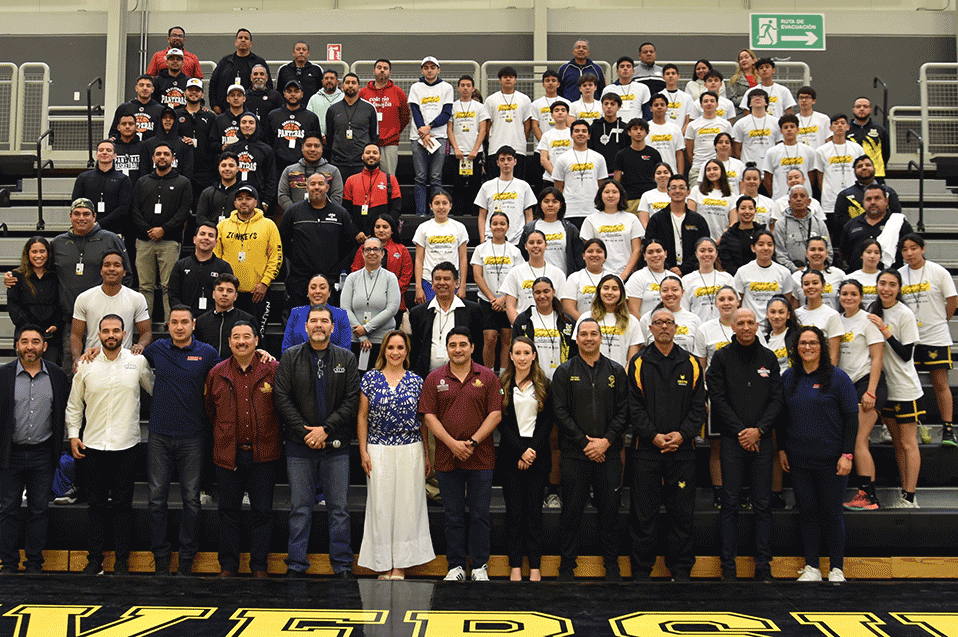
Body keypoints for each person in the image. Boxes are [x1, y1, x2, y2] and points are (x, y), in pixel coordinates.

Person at [274, 304, 361, 578]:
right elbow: (282, 398)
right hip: (300, 446)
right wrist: (305, 432)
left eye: (325, 321)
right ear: (306, 326)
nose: (319, 325)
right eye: (314, 321)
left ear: (333, 327)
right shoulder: (290, 357)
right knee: (300, 508)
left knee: (339, 510)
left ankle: (343, 565)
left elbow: (352, 400)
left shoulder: (346, 358)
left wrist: (325, 429)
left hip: (336, 446)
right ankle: (297, 564)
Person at [66, 314, 154, 575]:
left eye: (116, 330)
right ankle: (94, 561)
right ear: (98, 334)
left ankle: (122, 563)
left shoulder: (138, 362)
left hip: (126, 447)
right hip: (93, 447)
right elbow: (74, 405)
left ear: (125, 334)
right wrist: (73, 435)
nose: (111, 335)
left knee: (122, 507)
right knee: (95, 507)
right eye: (106, 331)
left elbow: (156, 390)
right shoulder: (85, 365)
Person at [628, 306, 706, 581]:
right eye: (658, 322)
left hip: (682, 451)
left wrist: (682, 435)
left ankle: (681, 569)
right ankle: (641, 569)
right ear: (650, 329)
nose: (663, 326)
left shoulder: (692, 363)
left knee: (681, 513)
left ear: (676, 328)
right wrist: (654, 436)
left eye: (668, 322)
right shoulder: (638, 363)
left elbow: (699, 408)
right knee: (643, 514)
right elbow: (633, 407)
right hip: (646, 450)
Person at [419, 326, 502, 582]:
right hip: (446, 457)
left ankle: (479, 566)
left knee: (479, 514)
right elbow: (428, 416)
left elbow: (495, 414)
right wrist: (452, 443)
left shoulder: (487, 377)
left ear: (472, 347)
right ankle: (455, 565)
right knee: (453, 515)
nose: (458, 349)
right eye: (453, 345)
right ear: (447, 349)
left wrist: (473, 442)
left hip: (481, 458)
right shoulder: (434, 378)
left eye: (463, 344)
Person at [142, 305, 219, 576]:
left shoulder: (207, 353)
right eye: (174, 322)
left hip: (193, 438)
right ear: (168, 325)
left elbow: (224, 375)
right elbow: (127, 358)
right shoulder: (157, 350)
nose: (179, 326)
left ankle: (187, 558)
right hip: (159, 436)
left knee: (191, 500)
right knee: (156, 499)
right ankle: (161, 557)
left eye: (184, 322)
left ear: (193, 324)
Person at [707, 308, 782, 581]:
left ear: (757, 325)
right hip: (731, 440)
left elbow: (777, 399)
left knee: (763, 504)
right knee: (730, 504)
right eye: (741, 323)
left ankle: (763, 565)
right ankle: (728, 566)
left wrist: (759, 431)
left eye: (751, 322)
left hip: (761, 440)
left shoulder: (769, 358)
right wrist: (741, 431)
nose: (746, 327)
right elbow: (717, 396)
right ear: (733, 326)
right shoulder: (721, 357)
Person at [779, 326, 858, 582]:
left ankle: (836, 568)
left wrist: (847, 454)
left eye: (813, 343)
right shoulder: (789, 377)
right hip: (799, 459)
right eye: (803, 343)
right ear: (796, 347)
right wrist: (782, 448)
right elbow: (781, 417)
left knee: (832, 513)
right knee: (808, 512)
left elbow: (852, 419)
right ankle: (812, 566)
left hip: (832, 460)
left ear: (821, 347)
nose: (808, 347)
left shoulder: (838, 377)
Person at [553, 318, 628, 581]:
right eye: (583, 334)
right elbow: (559, 412)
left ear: (601, 337)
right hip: (576, 453)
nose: (588, 338)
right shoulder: (564, 371)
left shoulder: (616, 371)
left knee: (610, 511)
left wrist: (605, 441)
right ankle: (566, 566)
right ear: (576, 338)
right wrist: (585, 443)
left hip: (608, 452)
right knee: (571, 511)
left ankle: (612, 566)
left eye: (593, 333)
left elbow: (624, 412)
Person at [205, 321, 281, 578]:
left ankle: (259, 566)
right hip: (228, 454)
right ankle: (228, 566)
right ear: (229, 343)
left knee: (262, 512)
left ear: (256, 341)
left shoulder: (273, 369)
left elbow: (282, 407)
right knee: (228, 512)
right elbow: (210, 410)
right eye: (236, 337)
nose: (241, 342)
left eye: (246, 337)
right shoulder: (217, 372)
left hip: (264, 454)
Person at [357, 331, 434, 579]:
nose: (395, 352)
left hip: (410, 446)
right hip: (377, 447)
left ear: (406, 352)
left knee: (407, 507)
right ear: (384, 351)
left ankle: (400, 564)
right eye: (391, 347)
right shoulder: (370, 379)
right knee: (380, 506)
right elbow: (361, 416)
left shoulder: (416, 381)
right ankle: (382, 563)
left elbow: (423, 421)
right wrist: (362, 451)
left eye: (400, 348)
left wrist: (426, 454)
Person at [0, 325, 70, 574]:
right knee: (7, 509)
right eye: (25, 341)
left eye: (35, 341)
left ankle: (34, 563)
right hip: (10, 455)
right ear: (16, 345)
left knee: (39, 509)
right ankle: (8, 563)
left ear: (45, 346)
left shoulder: (57, 376)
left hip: (43, 454)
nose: (30, 346)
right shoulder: (4, 375)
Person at [498, 337, 553, 582]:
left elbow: (547, 422)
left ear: (533, 355)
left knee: (534, 514)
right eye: (517, 353)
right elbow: (502, 421)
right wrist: (521, 450)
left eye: (526, 353)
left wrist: (531, 451)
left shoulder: (545, 385)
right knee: (514, 514)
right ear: (510, 356)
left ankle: (535, 567)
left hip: (537, 457)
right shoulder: (502, 384)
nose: (521, 357)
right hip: (511, 456)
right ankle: (515, 566)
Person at [868, 270, 925, 507]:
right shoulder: (873, 309)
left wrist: (884, 329)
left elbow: (906, 354)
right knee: (897, 444)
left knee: (909, 443)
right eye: (882, 283)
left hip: (905, 389)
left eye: (892, 284)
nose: (886, 289)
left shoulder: (905, 314)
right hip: (885, 389)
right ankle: (904, 491)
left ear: (898, 288)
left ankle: (910, 496)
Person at [899, 234, 958, 446]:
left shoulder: (938, 271)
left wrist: (941, 321)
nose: (909, 253)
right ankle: (913, 428)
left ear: (922, 249)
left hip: (936, 336)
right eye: (905, 249)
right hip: (910, 339)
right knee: (908, 384)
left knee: (941, 383)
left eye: (913, 248)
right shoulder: (899, 275)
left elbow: (952, 300)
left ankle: (948, 430)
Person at [836, 280, 887, 512]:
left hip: (867, 384)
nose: (848, 298)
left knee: (857, 441)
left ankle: (868, 495)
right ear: (839, 296)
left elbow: (877, 357)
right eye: (844, 293)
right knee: (861, 441)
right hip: (847, 386)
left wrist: (871, 391)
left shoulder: (868, 321)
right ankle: (868, 495)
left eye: (853, 294)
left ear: (861, 296)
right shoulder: (838, 320)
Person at [279, 172, 358, 310]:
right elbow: (283, 242)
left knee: (328, 324)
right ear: (306, 187)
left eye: (321, 184)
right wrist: (298, 260)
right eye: (313, 184)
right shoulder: (293, 212)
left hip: (330, 279)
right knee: (299, 324)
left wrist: (335, 270)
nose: (317, 187)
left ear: (327, 187)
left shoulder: (341, 213)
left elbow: (350, 247)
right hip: (300, 279)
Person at [131, 142, 192, 321]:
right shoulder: (142, 182)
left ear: (173, 159)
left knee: (168, 286)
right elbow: (134, 209)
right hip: (144, 241)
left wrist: (163, 230)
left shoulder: (183, 182)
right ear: (153, 158)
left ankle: (169, 324)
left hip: (170, 242)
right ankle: (145, 325)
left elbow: (183, 212)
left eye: (166, 154)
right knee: (145, 286)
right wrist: (148, 230)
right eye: (158, 154)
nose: (162, 157)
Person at [214, 185, 283, 333]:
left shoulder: (268, 225)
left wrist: (265, 283)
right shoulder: (222, 226)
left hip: (257, 293)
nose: (244, 202)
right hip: (230, 293)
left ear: (256, 202)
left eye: (248, 198)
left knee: (257, 336)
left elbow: (276, 257)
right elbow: (216, 257)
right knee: (229, 336)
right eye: (240, 199)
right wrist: (223, 287)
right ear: (234, 203)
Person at [71, 252, 151, 372]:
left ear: (124, 272)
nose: (111, 269)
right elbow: (76, 335)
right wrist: (76, 359)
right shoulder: (84, 298)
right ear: (101, 270)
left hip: (124, 362)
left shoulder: (136, 298)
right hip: (92, 360)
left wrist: (140, 346)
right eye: (107, 265)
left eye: (117, 265)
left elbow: (146, 332)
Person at [408, 262, 484, 379]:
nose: (442, 283)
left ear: (456, 283)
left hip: (464, 377)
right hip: (428, 377)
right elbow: (417, 348)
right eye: (437, 279)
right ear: (432, 284)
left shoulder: (472, 310)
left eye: (447, 279)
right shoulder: (418, 313)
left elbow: (477, 347)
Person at [471, 212, 522, 370]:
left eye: (502, 223)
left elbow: (518, 277)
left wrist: (504, 298)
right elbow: (477, 276)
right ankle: (489, 374)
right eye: (495, 223)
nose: (498, 227)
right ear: (489, 226)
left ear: (508, 227)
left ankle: (505, 375)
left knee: (507, 338)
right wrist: (493, 298)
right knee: (490, 338)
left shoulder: (515, 251)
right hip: (488, 301)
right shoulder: (481, 249)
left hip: (508, 301)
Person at [341, 237, 401, 369]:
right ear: (362, 253)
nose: (372, 253)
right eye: (367, 249)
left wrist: (366, 328)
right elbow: (345, 308)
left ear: (382, 253)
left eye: (376, 249)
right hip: (355, 340)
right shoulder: (352, 278)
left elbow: (392, 308)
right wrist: (362, 336)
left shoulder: (390, 278)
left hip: (383, 340)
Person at [408, 57, 454, 216]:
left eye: (432, 67)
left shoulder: (446, 87)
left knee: (435, 177)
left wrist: (429, 127)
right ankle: (421, 213)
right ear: (422, 70)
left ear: (438, 70)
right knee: (420, 177)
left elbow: (446, 113)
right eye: (426, 67)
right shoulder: (416, 87)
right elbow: (415, 111)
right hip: (418, 137)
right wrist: (423, 131)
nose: (429, 70)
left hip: (438, 136)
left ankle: (436, 213)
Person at [349, 213, 413, 324]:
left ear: (392, 230)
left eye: (385, 227)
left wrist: (390, 293)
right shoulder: (362, 249)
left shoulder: (402, 250)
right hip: (366, 303)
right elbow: (356, 271)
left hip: (395, 304)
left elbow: (406, 277)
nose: (381, 230)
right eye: (377, 227)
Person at [511, 277, 577, 379]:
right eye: (538, 292)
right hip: (533, 379)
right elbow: (515, 350)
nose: (542, 296)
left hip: (562, 380)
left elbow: (574, 353)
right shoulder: (523, 320)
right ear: (533, 294)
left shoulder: (567, 320)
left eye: (546, 291)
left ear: (553, 292)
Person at [7, 238, 61, 363]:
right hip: (25, 334)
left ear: (48, 253)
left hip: (51, 336)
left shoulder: (56, 275)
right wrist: (31, 328)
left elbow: (60, 304)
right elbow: (14, 307)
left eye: (42, 251)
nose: (38, 255)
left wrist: (56, 324)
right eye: (34, 251)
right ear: (28, 253)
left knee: (48, 372)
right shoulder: (16, 276)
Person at [644, 175, 711, 275]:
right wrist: (669, 268)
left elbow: (704, 247)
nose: (677, 191)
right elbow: (649, 246)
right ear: (668, 192)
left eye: (682, 187)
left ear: (688, 192)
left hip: (694, 272)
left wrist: (683, 268)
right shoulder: (656, 219)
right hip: (663, 272)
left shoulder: (698, 220)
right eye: (673, 188)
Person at [839, 183, 912, 272]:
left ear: (886, 201)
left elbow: (911, 250)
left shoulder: (899, 223)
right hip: (857, 280)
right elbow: (844, 254)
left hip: (890, 281)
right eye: (868, 199)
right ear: (863, 203)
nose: (873, 202)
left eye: (877, 198)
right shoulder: (851, 225)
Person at [413, 190, 470, 305]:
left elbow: (463, 258)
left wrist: (463, 285)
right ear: (431, 206)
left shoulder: (459, 227)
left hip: (452, 281)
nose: (441, 207)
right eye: (437, 203)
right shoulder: (423, 228)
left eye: (444, 203)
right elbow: (419, 259)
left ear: (450, 206)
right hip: (429, 281)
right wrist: (418, 286)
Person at [169, 223, 236, 319]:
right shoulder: (181, 265)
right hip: (186, 320)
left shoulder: (224, 267)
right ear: (194, 239)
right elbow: (173, 294)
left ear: (216, 242)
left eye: (211, 235)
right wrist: (184, 315)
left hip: (215, 320)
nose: (206, 238)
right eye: (202, 234)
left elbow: (229, 296)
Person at [580, 179, 642, 280]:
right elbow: (590, 251)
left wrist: (624, 275)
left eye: (614, 192)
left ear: (621, 194)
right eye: (606, 192)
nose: (610, 195)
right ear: (600, 195)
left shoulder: (632, 218)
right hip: (599, 275)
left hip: (627, 275)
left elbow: (637, 250)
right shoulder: (590, 220)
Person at [72, 139, 133, 240]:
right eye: (101, 150)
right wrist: (89, 223)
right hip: (88, 231)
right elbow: (76, 203)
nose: (104, 152)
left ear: (115, 155)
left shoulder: (123, 179)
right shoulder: (83, 178)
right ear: (96, 155)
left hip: (114, 232)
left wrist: (98, 224)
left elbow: (124, 209)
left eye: (108, 150)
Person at [359, 59, 411, 175]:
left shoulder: (398, 92)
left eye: (385, 68)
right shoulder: (363, 93)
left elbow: (405, 116)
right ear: (374, 71)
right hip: (368, 143)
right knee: (367, 176)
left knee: (388, 178)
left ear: (390, 72)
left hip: (390, 143)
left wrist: (394, 131)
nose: (382, 70)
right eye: (379, 67)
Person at [503, 230, 566, 325]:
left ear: (546, 245)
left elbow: (562, 305)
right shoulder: (515, 272)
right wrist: (519, 328)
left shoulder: (558, 273)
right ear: (525, 246)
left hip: (552, 328)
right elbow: (510, 306)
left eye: (539, 242)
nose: (535, 246)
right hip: (524, 328)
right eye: (531, 243)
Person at [476, 146, 537, 244]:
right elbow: (482, 216)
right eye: (502, 159)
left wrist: (527, 236)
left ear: (515, 161)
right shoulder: (487, 186)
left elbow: (529, 215)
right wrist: (482, 238)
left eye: (509, 159)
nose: (506, 163)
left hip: (518, 239)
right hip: (491, 238)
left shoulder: (524, 186)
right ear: (497, 163)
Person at [582, 273, 644, 369]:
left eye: (615, 289)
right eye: (606, 288)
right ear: (599, 291)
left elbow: (632, 358)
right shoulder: (586, 318)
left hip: (621, 377)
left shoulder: (632, 321)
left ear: (621, 293)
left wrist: (624, 377)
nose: (610, 292)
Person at [552, 120, 608, 225]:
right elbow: (558, 188)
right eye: (577, 131)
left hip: (593, 210)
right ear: (571, 135)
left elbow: (601, 186)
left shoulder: (599, 158)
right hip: (570, 210)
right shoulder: (562, 158)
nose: (580, 134)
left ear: (589, 135)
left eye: (584, 131)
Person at [518, 187, 584, 276]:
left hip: (563, 279)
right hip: (535, 279)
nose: (550, 205)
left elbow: (578, 259)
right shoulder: (529, 228)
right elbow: (522, 256)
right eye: (546, 201)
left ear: (561, 205)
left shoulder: (570, 229)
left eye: (554, 201)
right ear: (540, 204)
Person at [447, 74, 489, 214]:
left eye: (468, 85)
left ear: (473, 88)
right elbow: (449, 129)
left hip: (474, 152)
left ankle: (474, 213)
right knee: (457, 184)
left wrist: (475, 150)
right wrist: (456, 148)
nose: (465, 88)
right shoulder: (453, 106)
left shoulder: (480, 107)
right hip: (457, 153)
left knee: (475, 184)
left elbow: (482, 129)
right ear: (458, 88)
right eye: (462, 85)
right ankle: (458, 212)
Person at [341, 144, 403, 238]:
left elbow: (397, 209)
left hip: (382, 235)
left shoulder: (390, 179)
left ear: (380, 157)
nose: (371, 155)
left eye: (375, 153)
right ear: (362, 156)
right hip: (357, 236)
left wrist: (380, 230)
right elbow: (346, 210)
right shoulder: (351, 180)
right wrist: (356, 232)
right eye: (368, 152)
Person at [325, 73, 379, 180]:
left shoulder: (369, 108)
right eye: (347, 83)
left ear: (359, 87)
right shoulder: (333, 109)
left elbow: (374, 136)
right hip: (338, 162)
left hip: (361, 163)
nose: (350, 85)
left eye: (354, 83)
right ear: (342, 86)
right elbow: (329, 136)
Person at [816, 113, 864, 230]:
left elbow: (861, 173)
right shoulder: (821, 150)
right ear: (831, 128)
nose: (839, 126)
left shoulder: (857, 148)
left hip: (853, 197)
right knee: (833, 232)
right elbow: (820, 176)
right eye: (836, 124)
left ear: (847, 127)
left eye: (842, 123)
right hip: (830, 200)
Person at [484, 67, 534, 179]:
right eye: (505, 77)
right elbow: (488, 124)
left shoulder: (524, 99)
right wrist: (492, 139)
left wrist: (521, 138)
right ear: (499, 80)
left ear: (515, 80)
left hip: (518, 147)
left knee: (518, 182)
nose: (508, 79)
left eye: (511, 77)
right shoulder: (491, 100)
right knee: (495, 182)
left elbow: (527, 124)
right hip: (495, 147)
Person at [282, 273, 351, 353]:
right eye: (313, 287)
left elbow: (345, 351)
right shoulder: (296, 313)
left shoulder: (341, 315)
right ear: (308, 292)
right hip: (299, 363)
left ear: (329, 292)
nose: (317, 291)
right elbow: (286, 349)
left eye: (322, 288)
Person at [832, 155, 903, 232]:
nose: (864, 168)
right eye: (860, 166)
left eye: (868, 165)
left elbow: (897, 217)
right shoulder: (845, 195)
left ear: (874, 169)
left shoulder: (889, 192)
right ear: (854, 172)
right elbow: (841, 222)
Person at [208, 28, 272, 114]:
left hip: (251, 111)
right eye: (240, 37)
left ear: (251, 44)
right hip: (225, 110)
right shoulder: (225, 61)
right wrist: (214, 105)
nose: (243, 40)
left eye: (246, 38)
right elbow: (213, 83)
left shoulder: (258, 62)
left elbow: (268, 84)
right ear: (235, 42)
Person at [278, 132, 344, 212]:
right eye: (308, 145)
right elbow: (282, 196)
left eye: (317, 146)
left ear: (322, 148)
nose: (312, 149)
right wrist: (296, 213)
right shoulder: (289, 170)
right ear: (302, 147)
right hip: (297, 218)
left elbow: (337, 197)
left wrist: (322, 213)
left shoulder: (333, 171)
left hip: (324, 219)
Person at [734, 231, 795, 316]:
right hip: (750, 325)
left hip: (775, 323)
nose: (766, 248)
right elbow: (738, 302)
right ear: (753, 248)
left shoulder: (784, 273)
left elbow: (787, 302)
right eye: (761, 244)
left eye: (770, 245)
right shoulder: (742, 272)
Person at [264, 80, 321, 171]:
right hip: (278, 165)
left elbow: (316, 142)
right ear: (284, 94)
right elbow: (267, 141)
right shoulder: (273, 116)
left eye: (296, 91)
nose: (293, 94)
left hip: (303, 165)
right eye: (289, 91)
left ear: (302, 94)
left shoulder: (311, 117)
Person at [195, 273, 255, 359]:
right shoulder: (201, 321)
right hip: (208, 369)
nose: (224, 294)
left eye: (229, 291)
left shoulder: (248, 319)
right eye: (220, 290)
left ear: (235, 296)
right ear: (213, 294)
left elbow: (258, 348)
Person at [773, 185, 832, 273]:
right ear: (789, 202)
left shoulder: (819, 223)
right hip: (790, 273)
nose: (799, 199)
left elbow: (828, 251)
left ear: (809, 202)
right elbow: (780, 254)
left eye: (802, 196)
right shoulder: (781, 224)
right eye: (795, 196)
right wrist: (794, 269)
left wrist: (818, 268)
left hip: (818, 272)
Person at [225, 113, 278, 210]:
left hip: (257, 199)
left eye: (251, 122)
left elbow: (271, 178)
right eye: (244, 122)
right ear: (239, 125)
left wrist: (266, 202)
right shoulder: (230, 149)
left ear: (256, 125)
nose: (247, 125)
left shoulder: (266, 150)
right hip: (233, 198)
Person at [637, 275, 701, 354]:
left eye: (674, 290)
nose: (670, 294)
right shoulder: (647, 319)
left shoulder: (694, 319)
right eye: (665, 290)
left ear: (682, 292)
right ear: (660, 293)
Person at [174, 78, 218, 193]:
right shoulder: (176, 115)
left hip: (205, 171)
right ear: (184, 93)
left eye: (197, 90)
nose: (194, 92)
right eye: (190, 90)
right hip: (182, 169)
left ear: (202, 94)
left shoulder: (211, 117)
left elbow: (214, 142)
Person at [794, 269, 844, 366]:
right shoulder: (796, 314)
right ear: (802, 287)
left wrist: (828, 378)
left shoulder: (832, 315)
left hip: (823, 370)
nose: (811, 287)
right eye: (806, 284)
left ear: (823, 286)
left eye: (815, 283)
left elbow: (834, 354)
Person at [763, 115, 817, 199]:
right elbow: (767, 179)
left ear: (798, 129)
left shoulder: (808, 150)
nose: (789, 129)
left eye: (792, 127)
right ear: (781, 131)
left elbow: (811, 176)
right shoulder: (772, 152)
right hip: (780, 197)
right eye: (785, 127)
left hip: (804, 198)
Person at [614, 118, 662, 212]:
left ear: (646, 133)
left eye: (642, 129)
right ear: (629, 132)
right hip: (630, 199)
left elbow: (659, 176)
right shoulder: (621, 155)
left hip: (651, 198)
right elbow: (617, 181)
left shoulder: (654, 154)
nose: (638, 132)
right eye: (635, 129)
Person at [682, 237, 735, 322]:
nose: (707, 254)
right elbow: (684, 310)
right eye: (702, 251)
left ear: (716, 253)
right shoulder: (687, 280)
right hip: (698, 329)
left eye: (710, 250)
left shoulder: (727, 278)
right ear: (696, 254)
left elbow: (735, 307)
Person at [684, 91, 732, 184]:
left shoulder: (726, 125)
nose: (709, 103)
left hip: (720, 168)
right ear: (701, 105)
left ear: (717, 104)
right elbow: (689, 150)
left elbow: (730, 148)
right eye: (705, 101)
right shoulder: (692, 125)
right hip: (698, 168)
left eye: (712, 101)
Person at [139, 107, 194, 182]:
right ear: (160, 120)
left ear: (175, 121)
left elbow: (187, 173)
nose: (168, 120)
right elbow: (144, 171)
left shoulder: (184, 144)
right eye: (164, 117)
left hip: (177, 188)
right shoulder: (148, 144)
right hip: (152, 187)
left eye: (171, 118)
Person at [561, 238, 611, 319]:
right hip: (582, 327)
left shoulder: (613, 278)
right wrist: (586, 324)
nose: (594, 255)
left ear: (605, 256)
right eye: (590, 251)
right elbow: (568, 308)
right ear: (583, 256)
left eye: (599, 251)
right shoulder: (574, 278)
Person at [791, 236, 846, 310]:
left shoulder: (839, 275)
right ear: (807, 253)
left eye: (820, 249)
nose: (817, 253)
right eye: (813, 249)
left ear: (826, 253)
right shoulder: (796, 277)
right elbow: (794, 308)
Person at [731, 90, 779, 170]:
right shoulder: (740, 124)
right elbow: (736, 149)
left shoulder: (776, 122)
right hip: (748, 170)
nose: (757, 98)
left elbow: (779, 145)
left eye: (761, 96)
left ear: (766, 103)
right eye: (753, 97)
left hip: (771, 168)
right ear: (749, 104)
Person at [719, 195, 766, 276]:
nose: (747, 212)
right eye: (743, 208)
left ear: (755, 211)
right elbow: (726, 262)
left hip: (762, 276)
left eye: (751, 208)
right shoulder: (728, 236)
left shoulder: (763, 233)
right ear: (737, 211)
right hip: (737, 277)